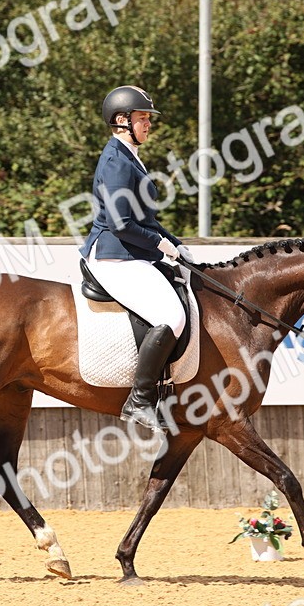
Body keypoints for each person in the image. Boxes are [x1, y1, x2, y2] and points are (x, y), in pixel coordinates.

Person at [79, 85, 193, 432]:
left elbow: (145, 219)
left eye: (147, 119)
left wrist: (175, 243)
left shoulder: (130, 155)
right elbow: (119, 223)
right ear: (122, 120)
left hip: (131, 253)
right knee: (171, 316)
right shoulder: (115, 160)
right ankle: (140, 400)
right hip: (114, 257)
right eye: (143, 118)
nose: (148, 125)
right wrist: (161, 246)